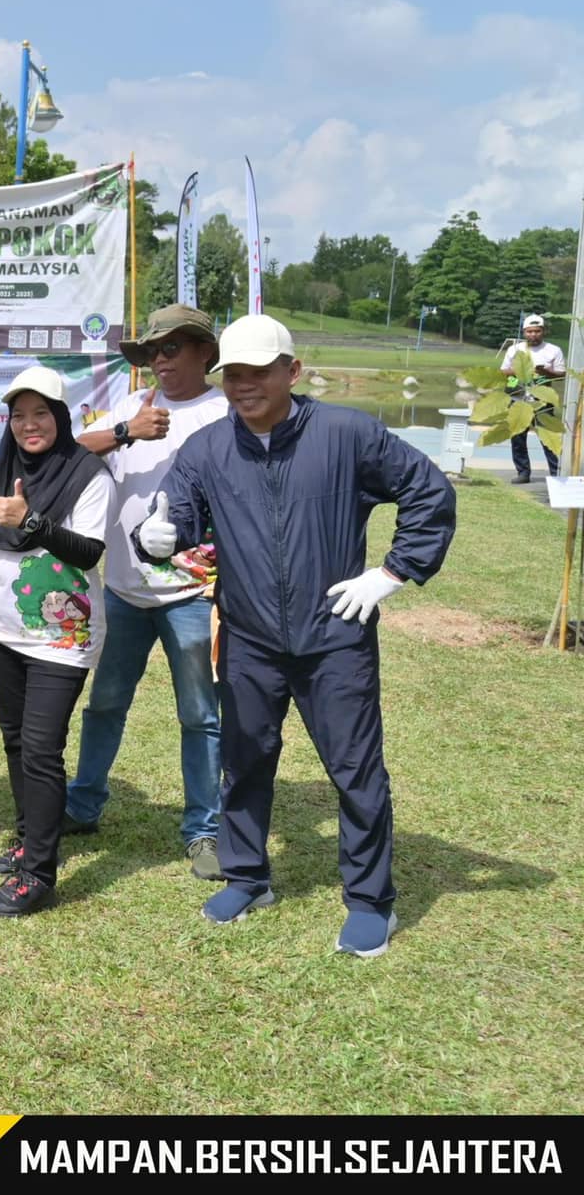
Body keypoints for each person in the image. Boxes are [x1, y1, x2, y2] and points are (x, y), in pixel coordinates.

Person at [133, 314, 455, 957]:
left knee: (355, 769)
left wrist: (391, 574)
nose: (244, 385)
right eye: (233, 374)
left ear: (292, 371)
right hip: (250, 635)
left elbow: (428, 490)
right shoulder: (209, 447)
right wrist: (155, 537)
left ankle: (370, 901)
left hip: (336, 632)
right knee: (245, 760)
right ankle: (248, 876)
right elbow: (178, 513)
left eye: (259, 372)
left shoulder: (347, 433)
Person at [65, 305, 228, 880]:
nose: (160, 360)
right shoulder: (135, 405)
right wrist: (125, 432)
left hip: (196, 591)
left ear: (203, 352)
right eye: (152, 351)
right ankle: (82, 807)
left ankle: (204, 831)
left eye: (172, 348)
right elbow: (69, 451)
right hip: (124, 591)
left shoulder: (225, 412)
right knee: (105, 703)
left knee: (200, 716)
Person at [0, 366, 112, 916]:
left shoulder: (88, 473)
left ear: (61, 416)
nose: (30, 425)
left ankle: (39, 875)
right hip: (5, 630)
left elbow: (89, 552)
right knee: (14, 741)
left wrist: (33, 522)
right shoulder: (5, 469)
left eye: (41, 414)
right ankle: (29, 837)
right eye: (19, 415)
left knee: (42, 747)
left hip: (61, 636)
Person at [500, 314, 566, 483]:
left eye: (537, 331)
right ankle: (523, 472)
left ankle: (556, 473)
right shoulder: (514, 349)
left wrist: (546, 372)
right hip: (518, 397)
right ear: (524, 332)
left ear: (543, 331)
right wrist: (521, 371)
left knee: (548, 436)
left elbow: (561, 375)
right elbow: (503, 372)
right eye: (530, 332)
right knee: (517, 437)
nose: (533, 335)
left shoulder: (553, 350)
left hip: (543, 399)